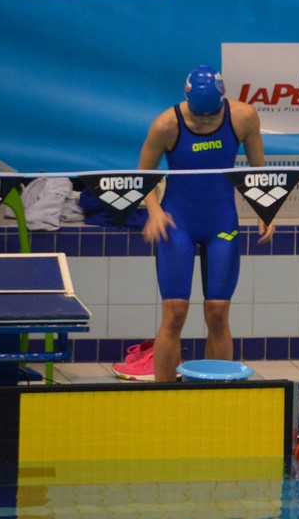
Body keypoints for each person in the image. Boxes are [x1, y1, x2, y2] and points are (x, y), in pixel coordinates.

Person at [115, 66, 272, 382]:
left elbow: (259, 173)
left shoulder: (244, 118)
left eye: (212, 115)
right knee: (175, 313)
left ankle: (216, 390)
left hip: (221, 222)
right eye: (199, 116)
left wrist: (266, 211)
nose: (205, 121)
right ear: (187, 100)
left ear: (223, 100)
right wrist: (154, 211)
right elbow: (143, 176)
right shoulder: (166, 124)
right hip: (178, 223)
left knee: (218, 313)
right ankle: (165, 395)